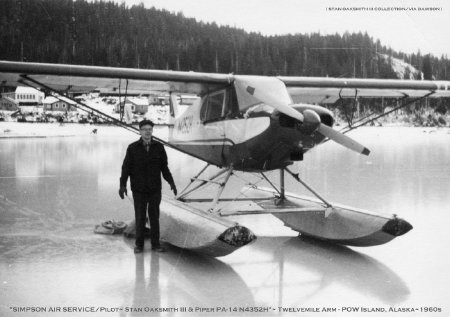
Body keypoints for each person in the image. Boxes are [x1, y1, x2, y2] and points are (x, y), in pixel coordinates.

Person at [119, 119, 177, 253]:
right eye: (144, 129)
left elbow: (164, 168)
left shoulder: (159, 147)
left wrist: (171, 182)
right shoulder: (132, 148)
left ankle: (156, 244)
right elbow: (126, 168)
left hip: (154, 189)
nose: (147, 132)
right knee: (140, 217)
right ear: (140, 131)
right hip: (138, 189)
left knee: (154, 217)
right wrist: (122, 185)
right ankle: (139, 245)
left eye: (149, 129)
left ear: (152, 131)